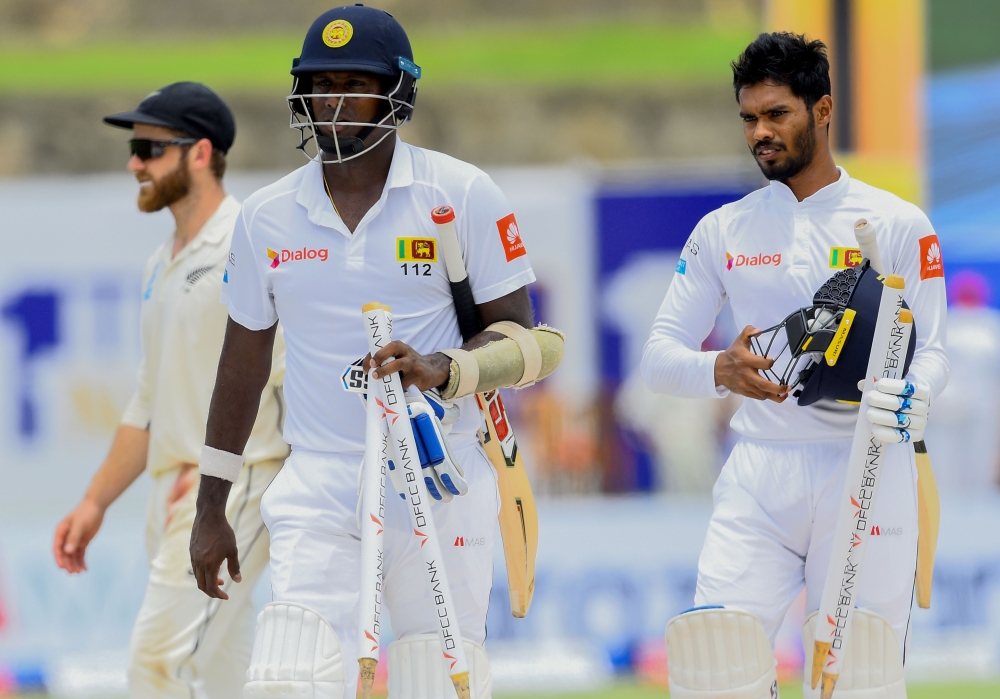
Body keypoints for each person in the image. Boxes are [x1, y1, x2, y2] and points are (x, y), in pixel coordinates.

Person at [187, 7, 561, 699]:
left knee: (435, 681)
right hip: (320, 482)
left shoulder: (460, 194)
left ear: (400, 94)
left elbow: (530, 343)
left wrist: (443, 368)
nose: (330, 100)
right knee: (286, 681)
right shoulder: (266, 217)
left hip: (438, 470)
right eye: (317, 82)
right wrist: (211, 507)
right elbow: (240, 367)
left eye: (352, 83)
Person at [642, 34, 948, 698]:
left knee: (859, 676)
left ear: (823, 108)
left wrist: (914, 394)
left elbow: (934, 348)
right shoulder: (723, 229)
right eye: (749, 117)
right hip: (759, 471)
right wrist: (718, 368)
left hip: (866, 466)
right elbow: (660, 357)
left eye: (777, 113)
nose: (760, 132)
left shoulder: (897, 223)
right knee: (712, 668)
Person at [52, 82, 289, 699]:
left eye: (149, 148)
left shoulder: (250, 240)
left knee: (157, 669)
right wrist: (94, 502)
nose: (135, 162)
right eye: (136, 148)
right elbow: (149, 404)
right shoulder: (162, 262)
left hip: (235, 489)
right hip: (173, 496)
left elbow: (291, 377)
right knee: (218, 676)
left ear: (201, 154)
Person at [923, 270, 1000, 492]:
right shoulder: (949, 322)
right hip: (948, 407)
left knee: (978, 469)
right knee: (945, 469)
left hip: (980, 408)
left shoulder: (989, 325)